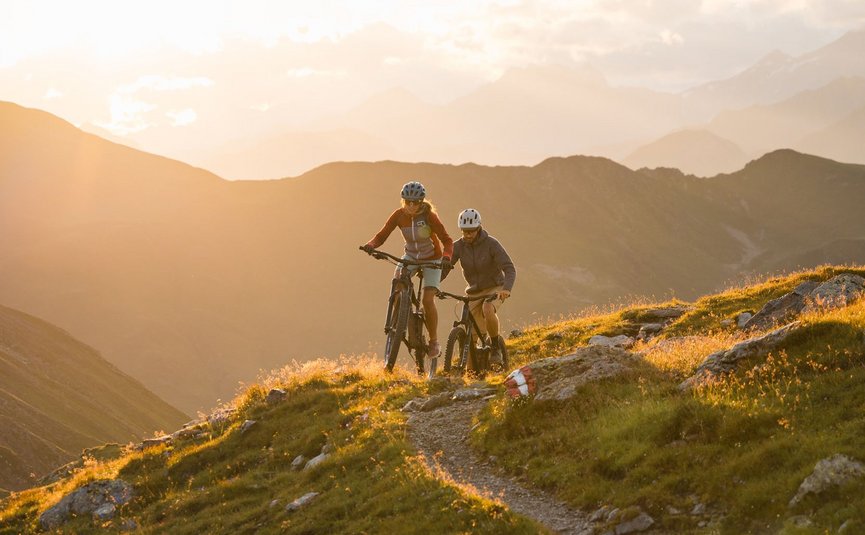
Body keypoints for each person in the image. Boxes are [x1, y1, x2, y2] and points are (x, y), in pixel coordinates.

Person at [361, 181, 453, 361]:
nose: (411, 206)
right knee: (398, 281)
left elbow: (447, 240)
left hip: (432, 259)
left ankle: (434, 341)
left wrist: (447, 258)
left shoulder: (429, 216)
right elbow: (381, 235)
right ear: (403, 201)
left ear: (421, 202)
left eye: (415, 202)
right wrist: (371, 245)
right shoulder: (398, 215)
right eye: (407, 202)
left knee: (427, 300)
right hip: (410, 256)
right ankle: (401, 318)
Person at [442, 208, 516, 370]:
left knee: (488, 308)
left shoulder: (491, 244)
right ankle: (471, 372)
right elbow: (445, 268)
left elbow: (509, 268)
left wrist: (506, 289)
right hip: (474, 292)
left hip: (495, 287)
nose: (468, 235)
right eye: (464, 231)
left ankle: (495, 347)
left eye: (471, 231)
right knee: (471, 336)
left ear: (478, 228)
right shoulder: (458, 246)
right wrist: (434, 284)